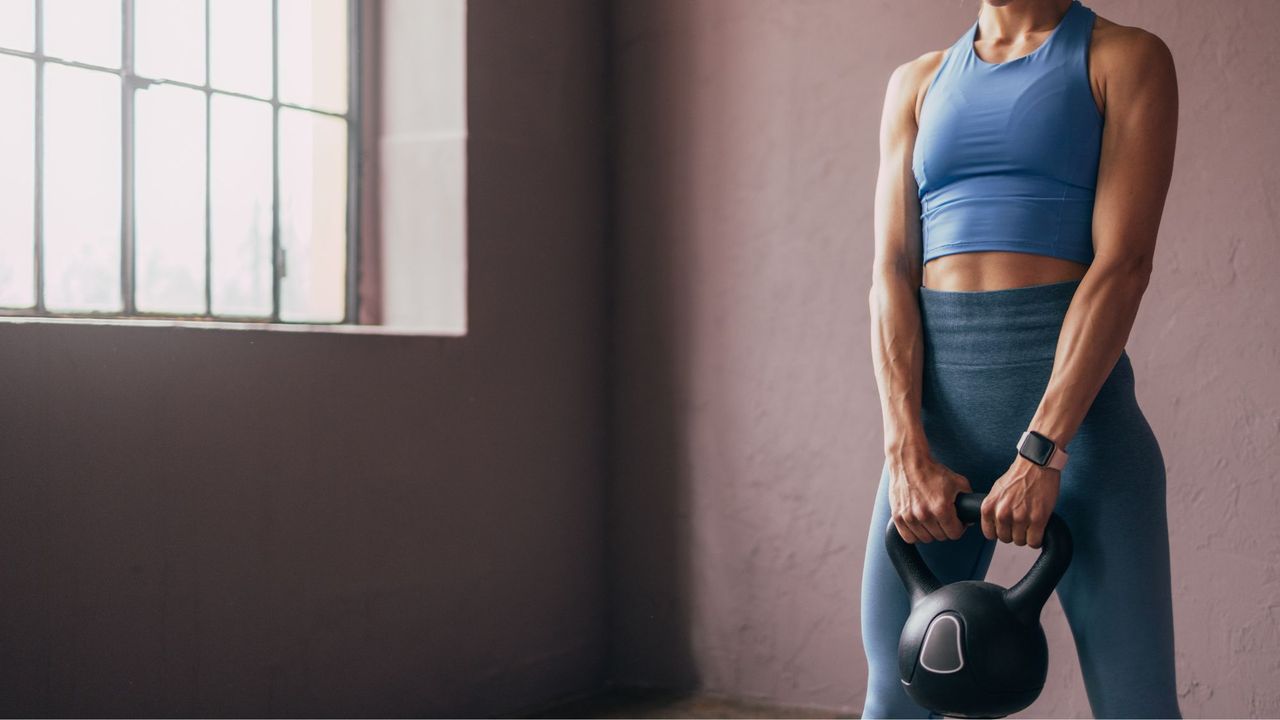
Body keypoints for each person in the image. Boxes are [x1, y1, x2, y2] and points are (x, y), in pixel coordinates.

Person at [860, 0, 1180, 717]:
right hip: (937, 437)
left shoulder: (1122, 58)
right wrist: (904, 447)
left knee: (1138, 705)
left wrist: (1043, 451)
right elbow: (890, 273)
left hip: (1081, 437)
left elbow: (1123, 264)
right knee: (896, 697)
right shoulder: (916, 82)